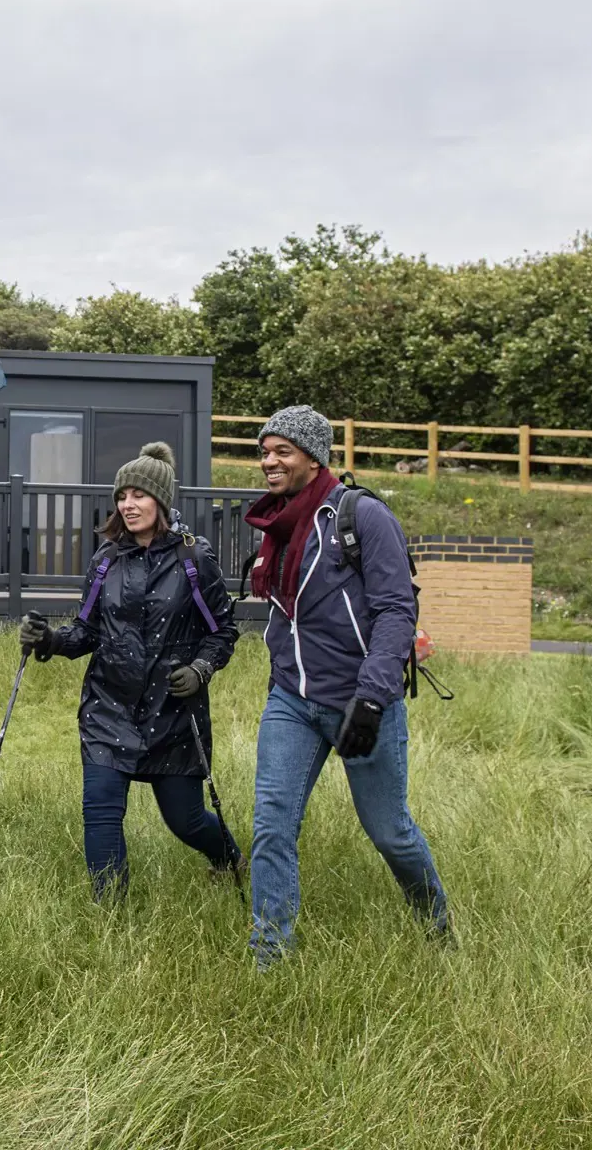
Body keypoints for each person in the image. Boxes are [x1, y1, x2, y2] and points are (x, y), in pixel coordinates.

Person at [243, 405, 450, 960]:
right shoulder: (276, 523)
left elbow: (394, 610)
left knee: (391, 833)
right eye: (265, 451)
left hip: (361, 701)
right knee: (271, 826)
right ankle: (270, 954)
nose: (269, 461)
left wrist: (372, 699)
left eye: (282, 451)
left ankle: (437, 928)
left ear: (314, 457)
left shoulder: (362, 517)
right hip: (292, 700)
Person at [18, 442, 242, 899]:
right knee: (100, 810)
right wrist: (49, 641)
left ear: (161, 500)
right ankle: (110, 914)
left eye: (139, 495)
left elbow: (223, 631)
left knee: (186, 820)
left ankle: (230, 858)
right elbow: (86, 632)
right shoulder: (105, 561)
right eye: (123, 496)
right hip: (109, 708)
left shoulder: (193, 560)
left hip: (174, 713)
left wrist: (201, 668)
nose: (128, 504)